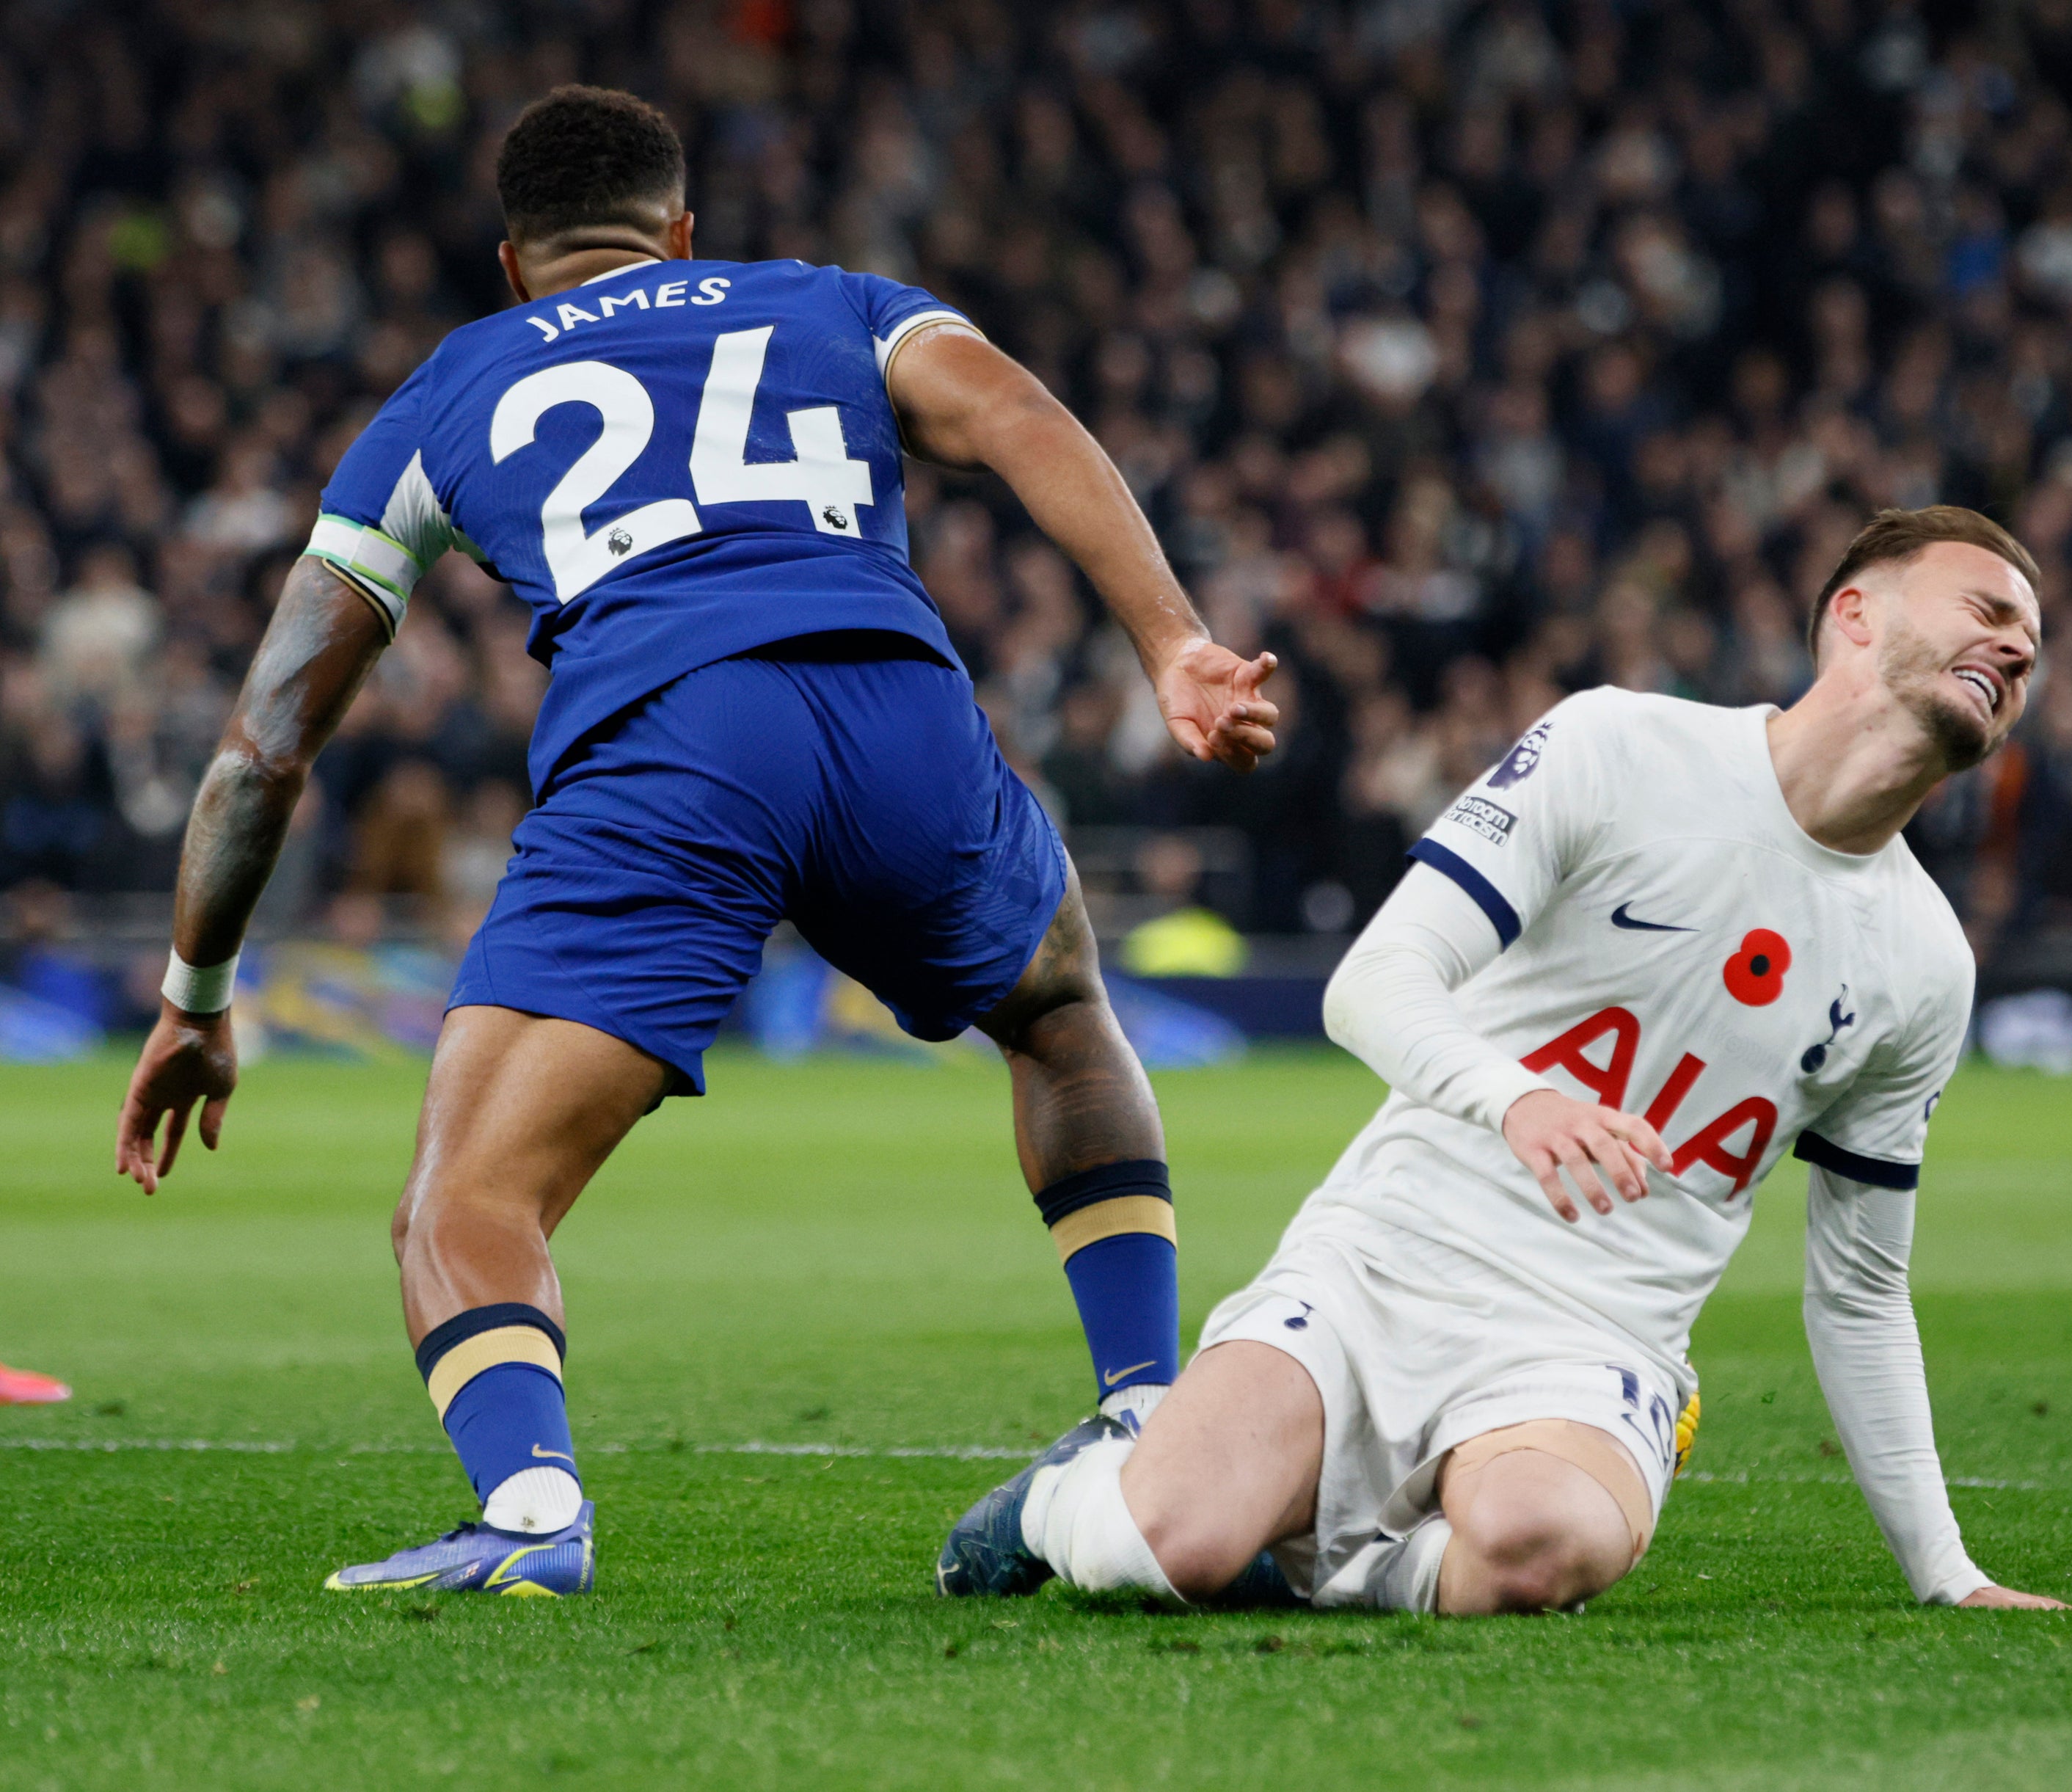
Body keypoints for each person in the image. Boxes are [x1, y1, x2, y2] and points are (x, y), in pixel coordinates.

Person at [110, 87, 1277, 1597]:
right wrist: (1173, 642)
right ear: (678, 233)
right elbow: (1013, 416)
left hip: (674, 740)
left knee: (468, 1196)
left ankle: (530, 1518)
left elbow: (264, 746)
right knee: (1058, 1012)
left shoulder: (446, 390)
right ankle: (1145, 1409)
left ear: (513, 262)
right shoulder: (835, 305)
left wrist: (197, 1000)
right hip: (894, 706)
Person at [938, 506, 2068, 1615]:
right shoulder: (1621, 746)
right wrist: (1519, 1097)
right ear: (1856, 615)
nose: (2018, 649)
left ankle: (1310, 1562)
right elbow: (1372, 984)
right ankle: (1075, 1494)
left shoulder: (1924, 960)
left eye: (2032, 645)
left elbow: (1861, 1288)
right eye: (1987, 609)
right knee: (1160, 1543)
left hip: (1597, 1340)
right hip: (1386, 1259)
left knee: (1538, 1540)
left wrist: (1947, 1571)